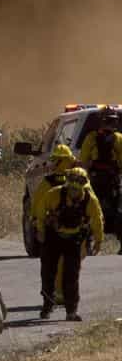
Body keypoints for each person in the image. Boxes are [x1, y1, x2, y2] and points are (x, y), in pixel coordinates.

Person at [34, 167, 104, 321]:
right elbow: (40, 211)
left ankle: (71, 311)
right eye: (71, 186)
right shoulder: (54, 194)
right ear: (67, 184)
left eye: (77, 187)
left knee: (71, 276)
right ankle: (47, 306)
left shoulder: (90, 201)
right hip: (53, 237)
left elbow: (97, 220)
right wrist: (40, 231)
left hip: (74, 239)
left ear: (84, 186)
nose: (74, 191)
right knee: (48, 273)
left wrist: (99, 240)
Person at [32, 144, 78, 304]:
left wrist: (37, 225)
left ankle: (54, 294)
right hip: (70, 231)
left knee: (53, 264)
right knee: (65, 264)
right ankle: (59, 294)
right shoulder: (76, 181)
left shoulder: (48, 182)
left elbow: (37, 205)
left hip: (53, 230)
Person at [79, 112, 122, 252]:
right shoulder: (118, 138)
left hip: (98, 179)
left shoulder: (91, 138)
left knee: (90, 209)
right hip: (110, 180)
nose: (113, 125)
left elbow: (83, 159)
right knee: (116, 210)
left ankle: (88, 244)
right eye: (112, 122)